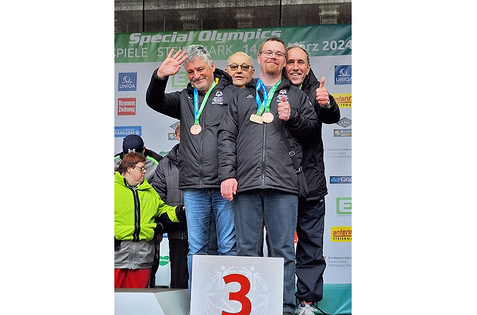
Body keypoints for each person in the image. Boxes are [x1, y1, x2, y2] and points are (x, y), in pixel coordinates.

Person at [218, 37, 320, 315]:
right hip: (246, 184)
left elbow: (312, 132)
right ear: (259, 58)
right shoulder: (240, 96)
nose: (273, 57)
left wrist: (294, 117)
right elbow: (226, 136)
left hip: (284, 184)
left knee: (283, 252)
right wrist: (227, 174)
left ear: (284, 62)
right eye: (268, 53)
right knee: (247, 252)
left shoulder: (297, 96)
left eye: (279, 54)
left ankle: (284, 309)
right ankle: (249, 309)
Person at [145, 44, 237, 287]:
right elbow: (154, 101)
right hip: (193, 187)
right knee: (196, 247)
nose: (196, 75)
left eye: (200, 69)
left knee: (227, 245)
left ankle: (227, 302)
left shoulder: (231, 94)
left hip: (222, 185)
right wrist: (160, 76)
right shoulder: (185, 98)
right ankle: (199, 302)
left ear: (213, 67)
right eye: (190, 72)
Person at [284, 43, 341, 315]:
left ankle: (307, 303)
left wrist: (327, 102)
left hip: (311, 182)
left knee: (310, 246)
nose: (295, 67)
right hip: (279, 182)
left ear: (308, 65)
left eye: (300, 62)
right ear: (284, 64)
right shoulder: (271, 88)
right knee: (279, 246)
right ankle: (281, 302)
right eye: (290, 61)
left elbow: (332, 115)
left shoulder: (316, 88)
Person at [114, 152, 186, 289]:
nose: (145, 171)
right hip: (116, 258)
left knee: (139, 304)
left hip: (142, 258)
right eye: (141, 168)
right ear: (129, 168)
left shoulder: (149, 191)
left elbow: (162, 210)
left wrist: (180, 211)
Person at [151, 123, 189, 288]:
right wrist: (162, 225)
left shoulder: (208, 158)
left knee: (205, 282)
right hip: (178, 232)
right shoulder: (165, 164)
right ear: (179, 136)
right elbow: (158, 198)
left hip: (205, 231)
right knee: (179, 283)